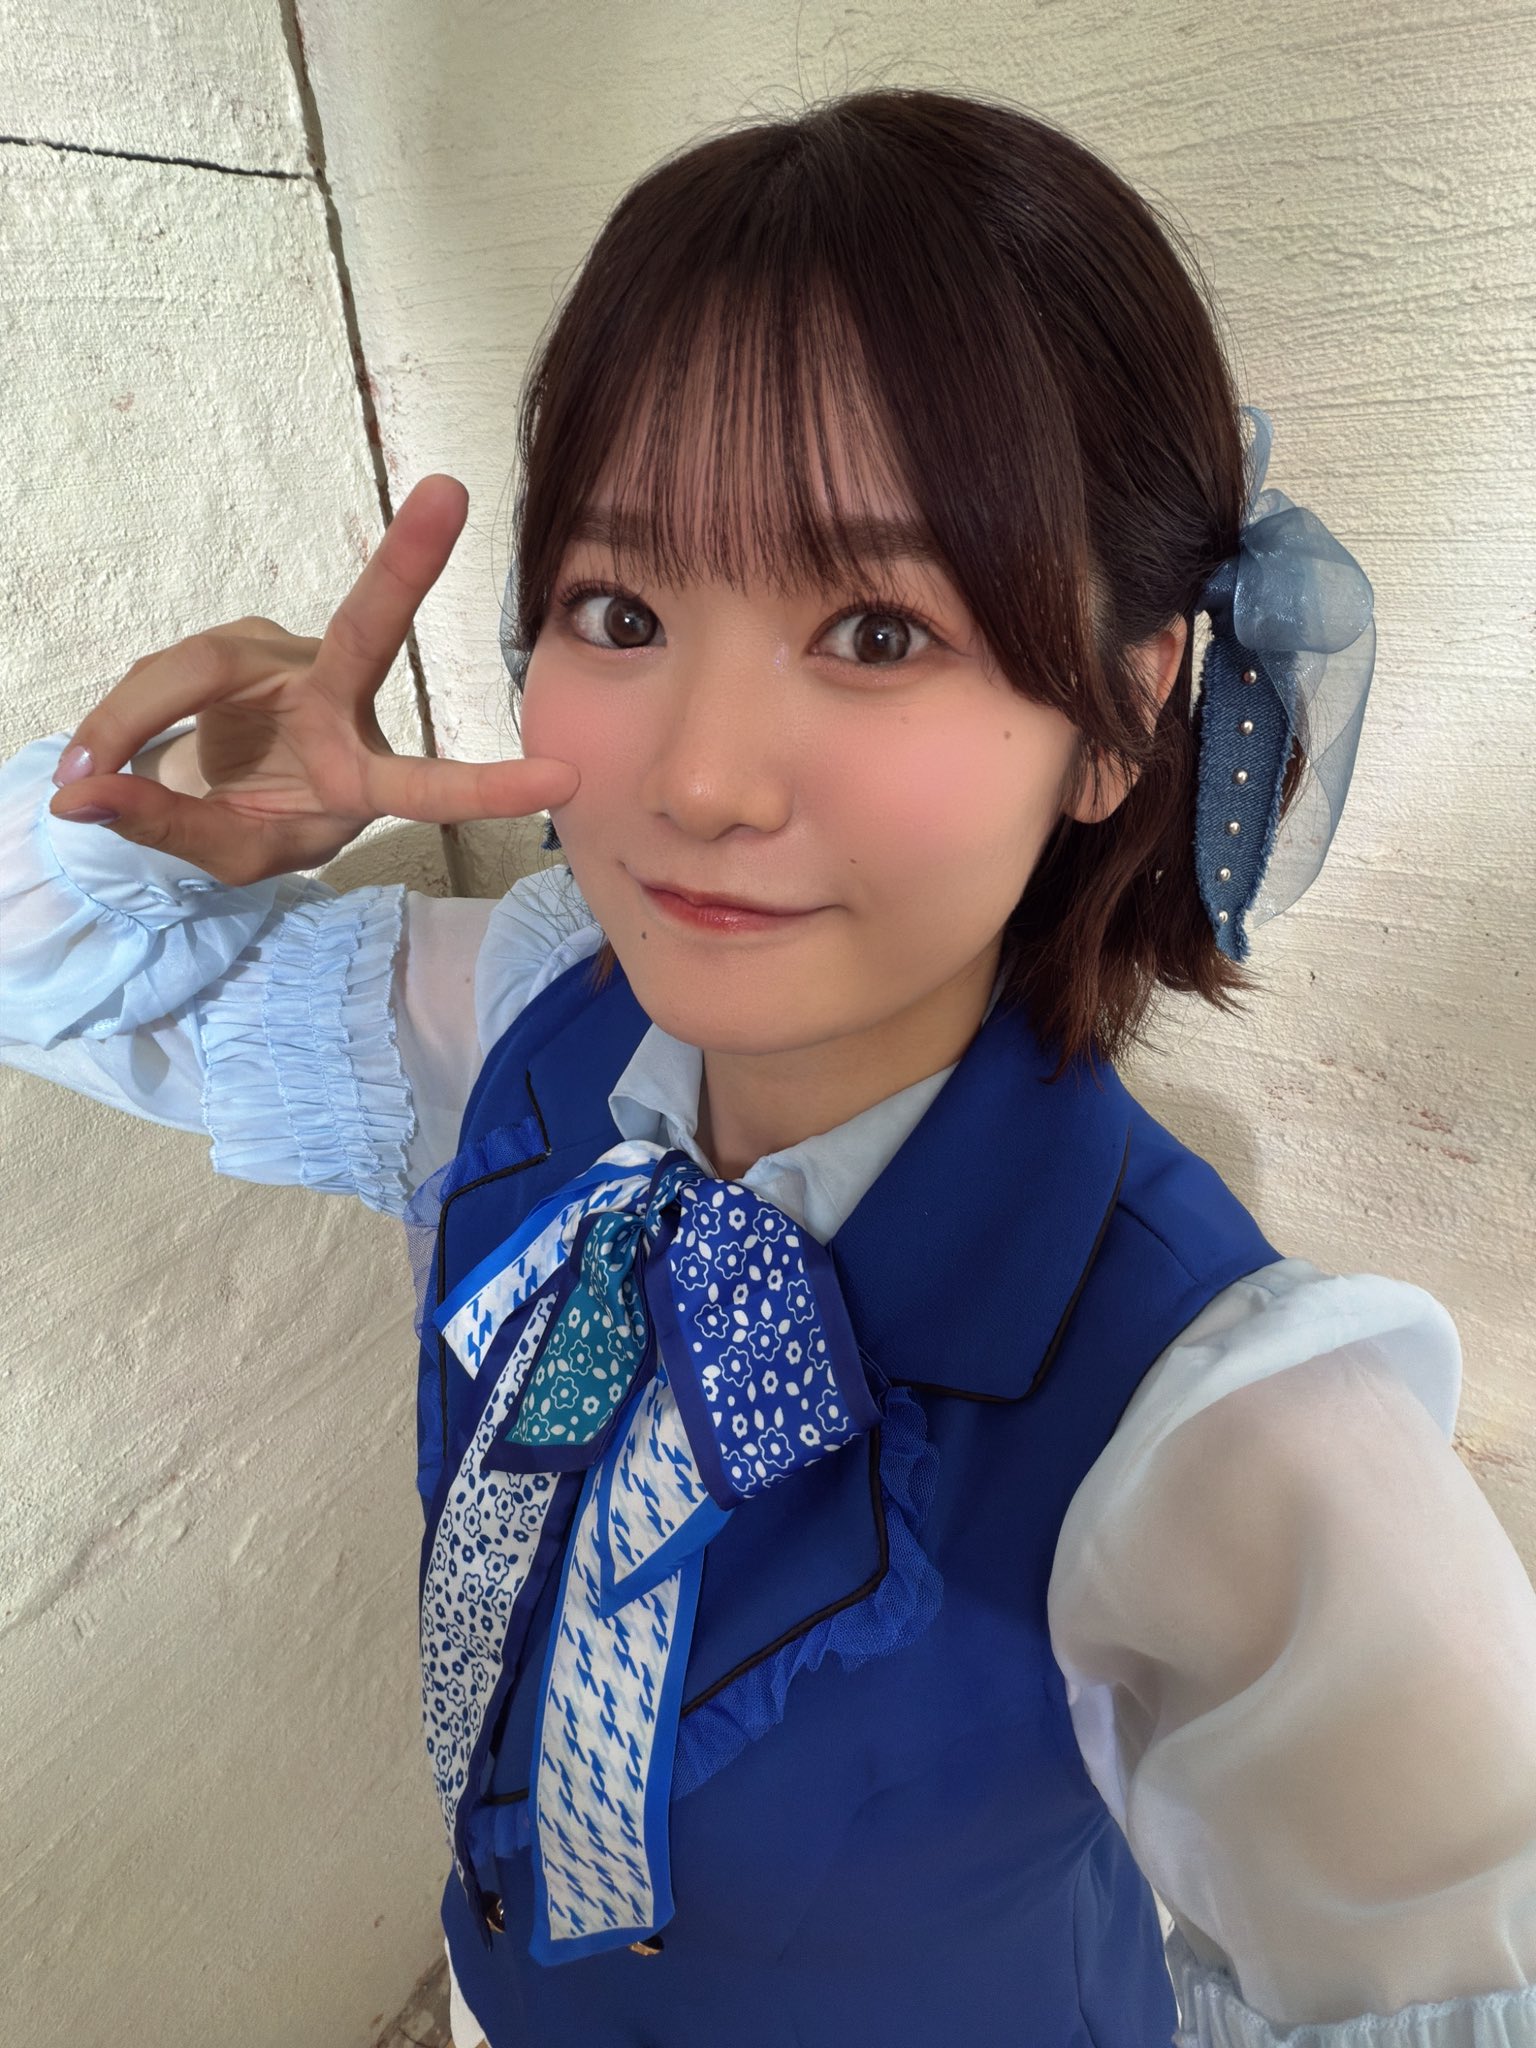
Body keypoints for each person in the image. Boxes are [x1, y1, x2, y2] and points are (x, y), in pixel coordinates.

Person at [4, 84, 1534, 2048]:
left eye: (878, 629)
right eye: (622, 609)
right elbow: (48, 970)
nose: (704, 778)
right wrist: (157, 824)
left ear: (1122, 705)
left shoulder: (1237, 1433)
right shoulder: (532, 1021)